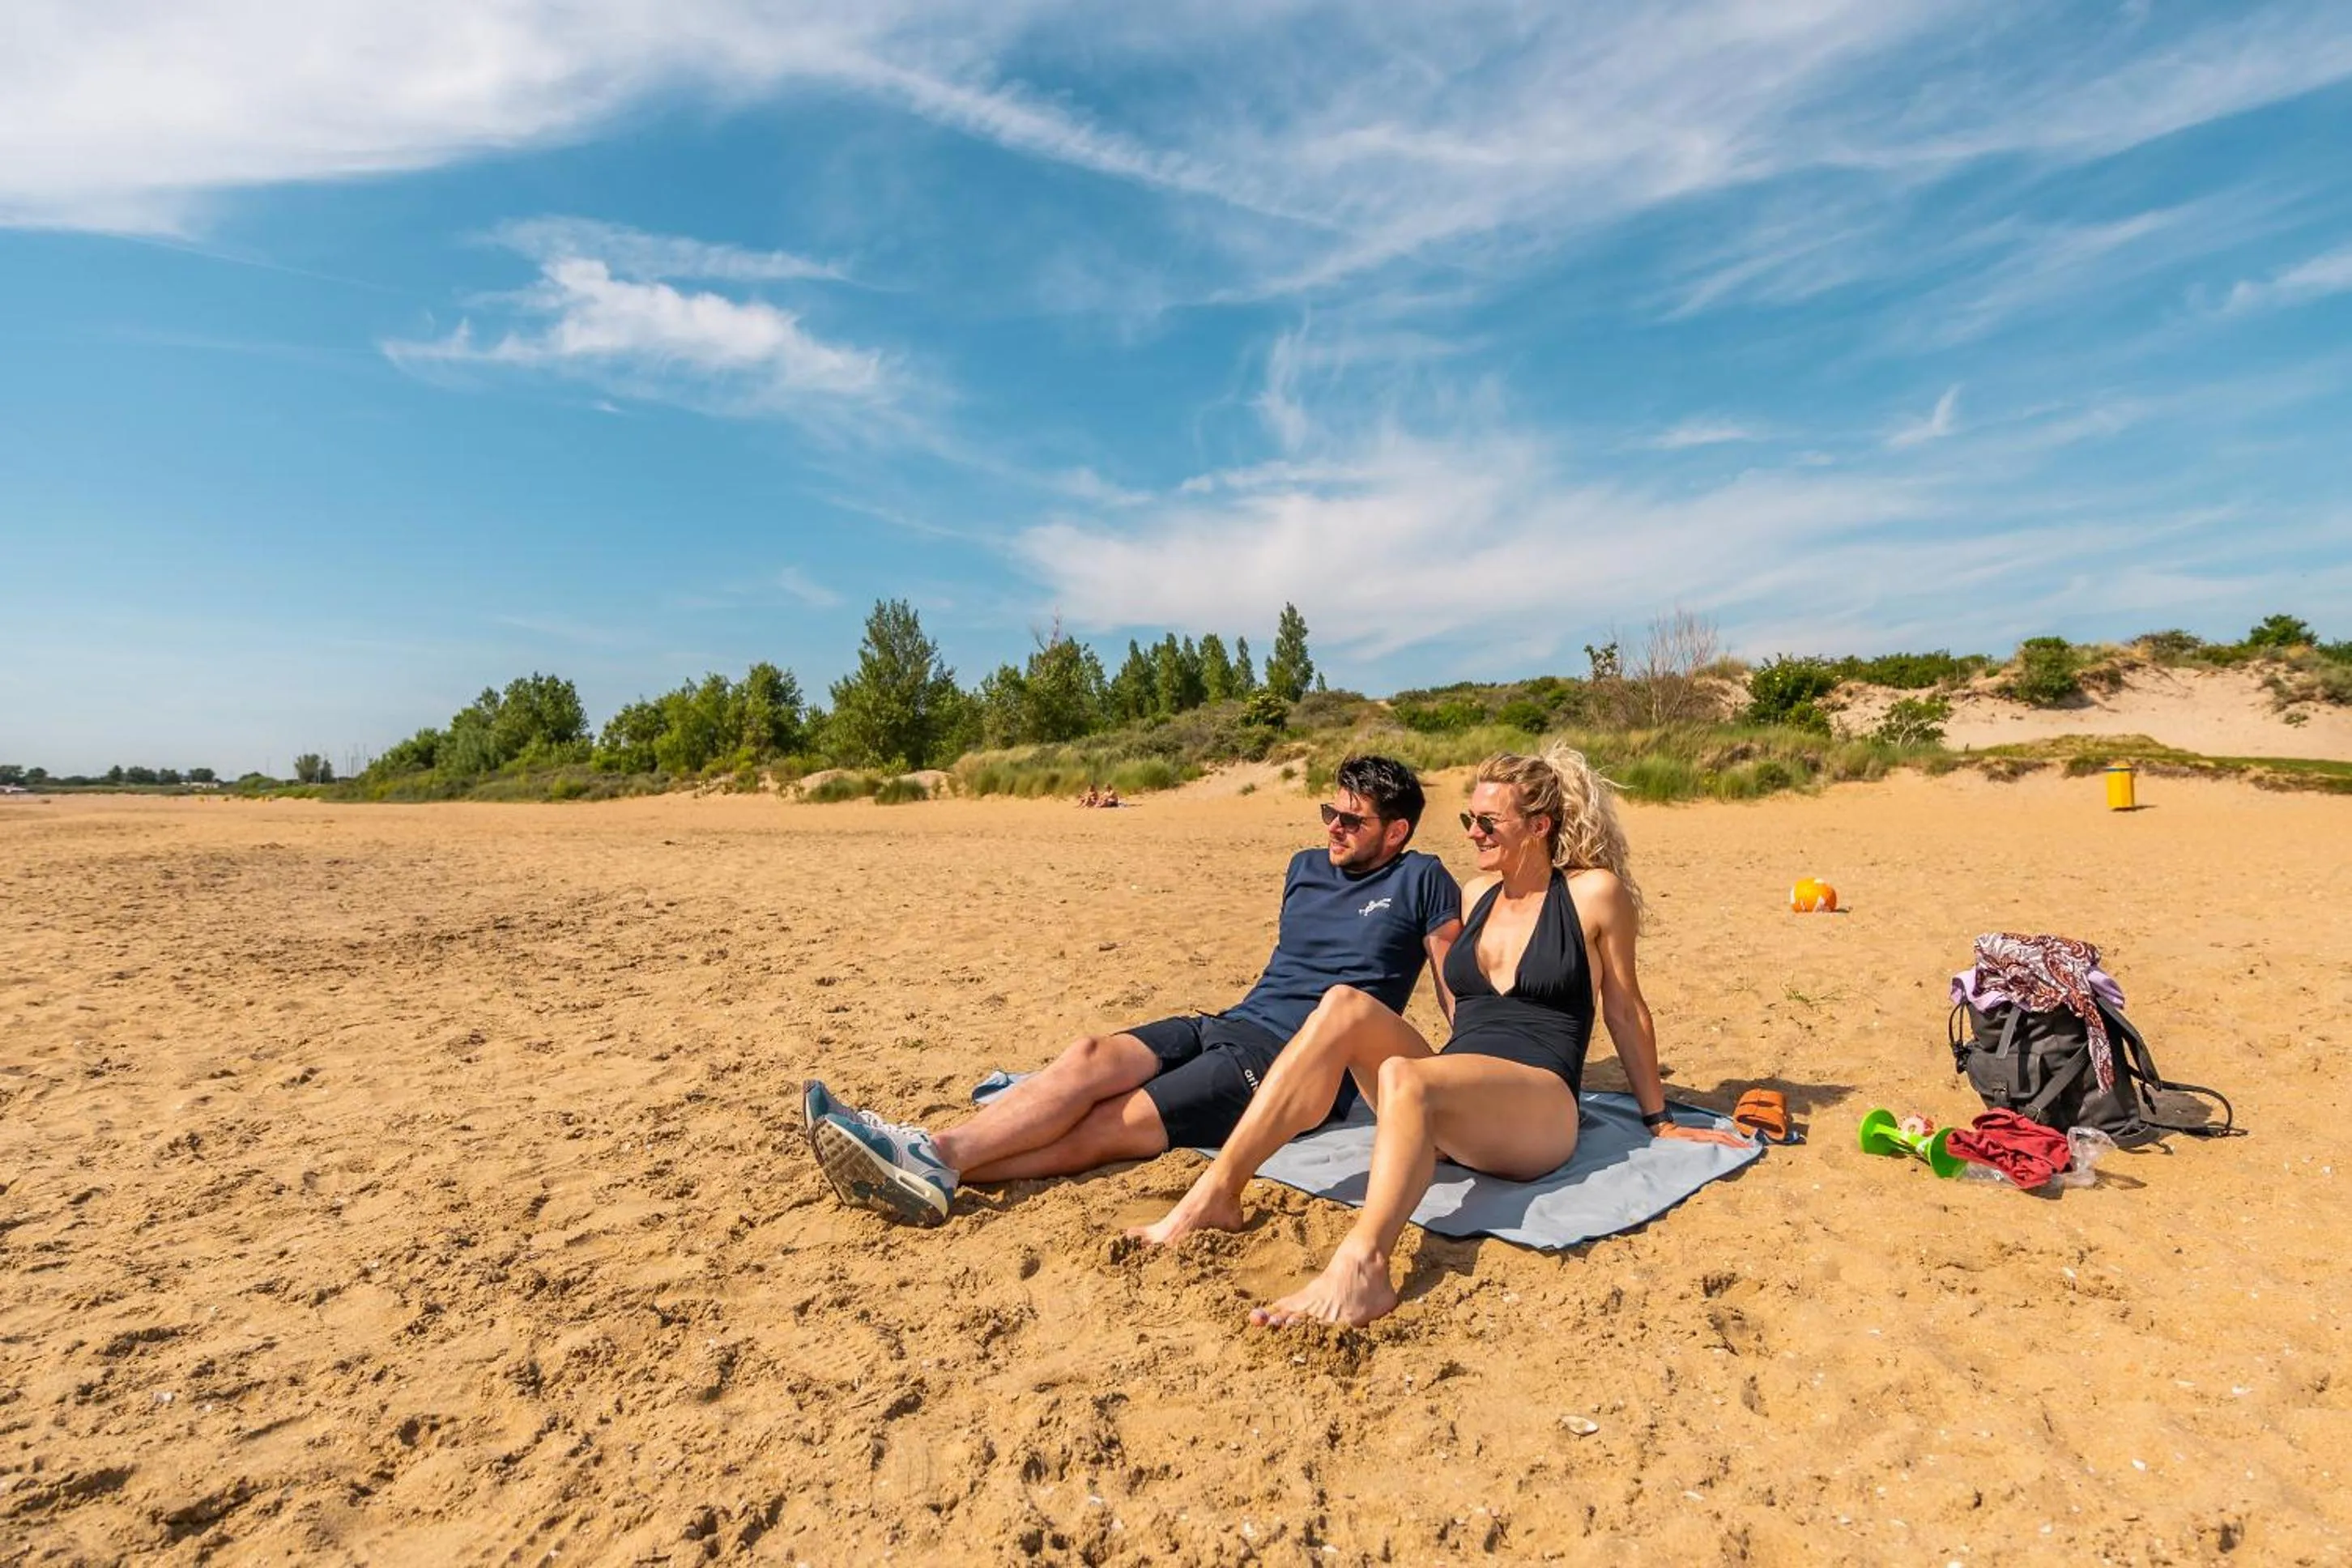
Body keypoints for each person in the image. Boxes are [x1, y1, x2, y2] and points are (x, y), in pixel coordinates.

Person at [1127, 744, 1746, 1327]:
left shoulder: (1593, 896)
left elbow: (1625, 1008)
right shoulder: (1476, 893)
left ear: (1539, 826)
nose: (1471, 833)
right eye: (1468, 818)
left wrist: (1659, 1117)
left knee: (1405, 1076)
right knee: (1344, 1004)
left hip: (1539, 1105)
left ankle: (1365, 1265)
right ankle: (1218, 1191)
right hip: (1457, 1092)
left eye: (1487, 822)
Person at [801, 755, 1464, 1226]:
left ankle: (934, 1158)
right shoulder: (1304, 869)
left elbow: (1450, 981)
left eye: (1351, 820)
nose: (1333, 828)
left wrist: (1470, 1075)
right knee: (1091, 1057)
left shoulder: (1424, 879)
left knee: (1112, 1123)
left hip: (1291, 1061)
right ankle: (929, 1155)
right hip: (1227, 1023)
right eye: (1329, 812)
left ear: (1396, 831)